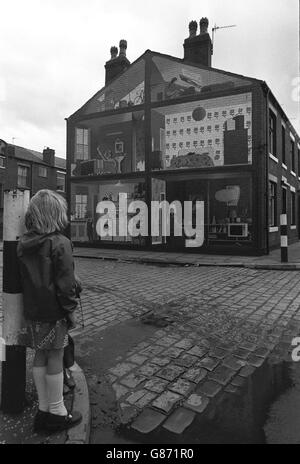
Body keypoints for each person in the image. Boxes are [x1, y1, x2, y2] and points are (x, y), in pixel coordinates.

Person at [17, 189, 82, 433]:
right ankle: (57, 412)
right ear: (56, 214)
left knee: (40, 357)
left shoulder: (23, 244)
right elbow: (65, 286)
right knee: (55, 356)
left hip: (33, 313)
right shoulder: (60, 243)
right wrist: (71, 311)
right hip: (55, 313)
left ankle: (43, 410)